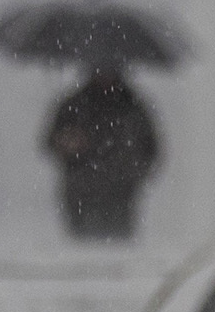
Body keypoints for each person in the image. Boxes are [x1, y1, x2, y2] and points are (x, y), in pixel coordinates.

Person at [42, 65, 161, 240]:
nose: (104, 76)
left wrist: (134, 173)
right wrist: (67, 143)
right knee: (82, 249)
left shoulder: (133, 107)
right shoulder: (73, 105)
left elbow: (151, 149)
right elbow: (50, 142)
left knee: (117, 247)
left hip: (120, 194)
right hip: (81, 192)